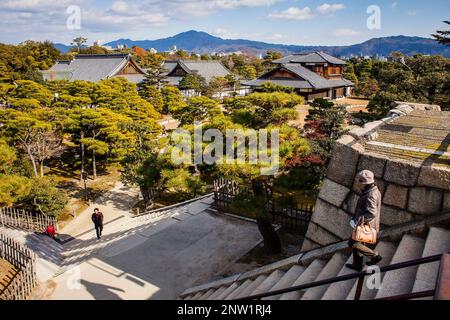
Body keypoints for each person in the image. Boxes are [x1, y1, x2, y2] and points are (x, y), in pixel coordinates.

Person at [346, 170, 383, 271]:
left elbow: (371, 213)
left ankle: (375, 256)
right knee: (359, 243)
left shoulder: (370, 195)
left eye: (359, 182)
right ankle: (357, 265)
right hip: (366, 223)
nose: (357, 184)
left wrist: (359, 221)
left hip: (365, 224)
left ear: (364, 183)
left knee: (352, 243)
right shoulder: (373, 190)